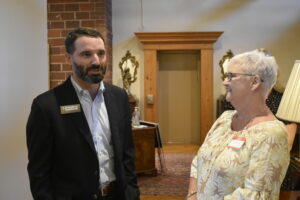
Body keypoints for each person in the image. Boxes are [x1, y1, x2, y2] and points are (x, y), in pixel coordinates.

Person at [26, 28, 140, 200]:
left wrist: (132, 193)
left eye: (101, 53)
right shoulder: (46, 106)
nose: (96, 61)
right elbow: (39, 172)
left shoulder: (119, 97)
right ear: (68, 57)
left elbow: (127, 155)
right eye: (86, 54)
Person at [187, 50, 290, 200]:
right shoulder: (225, 118)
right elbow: (199, 162)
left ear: (255, 82)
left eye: (231, 76)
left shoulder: (272, 133)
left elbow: (255, 195)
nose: (225, 82)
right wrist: (192, 195)